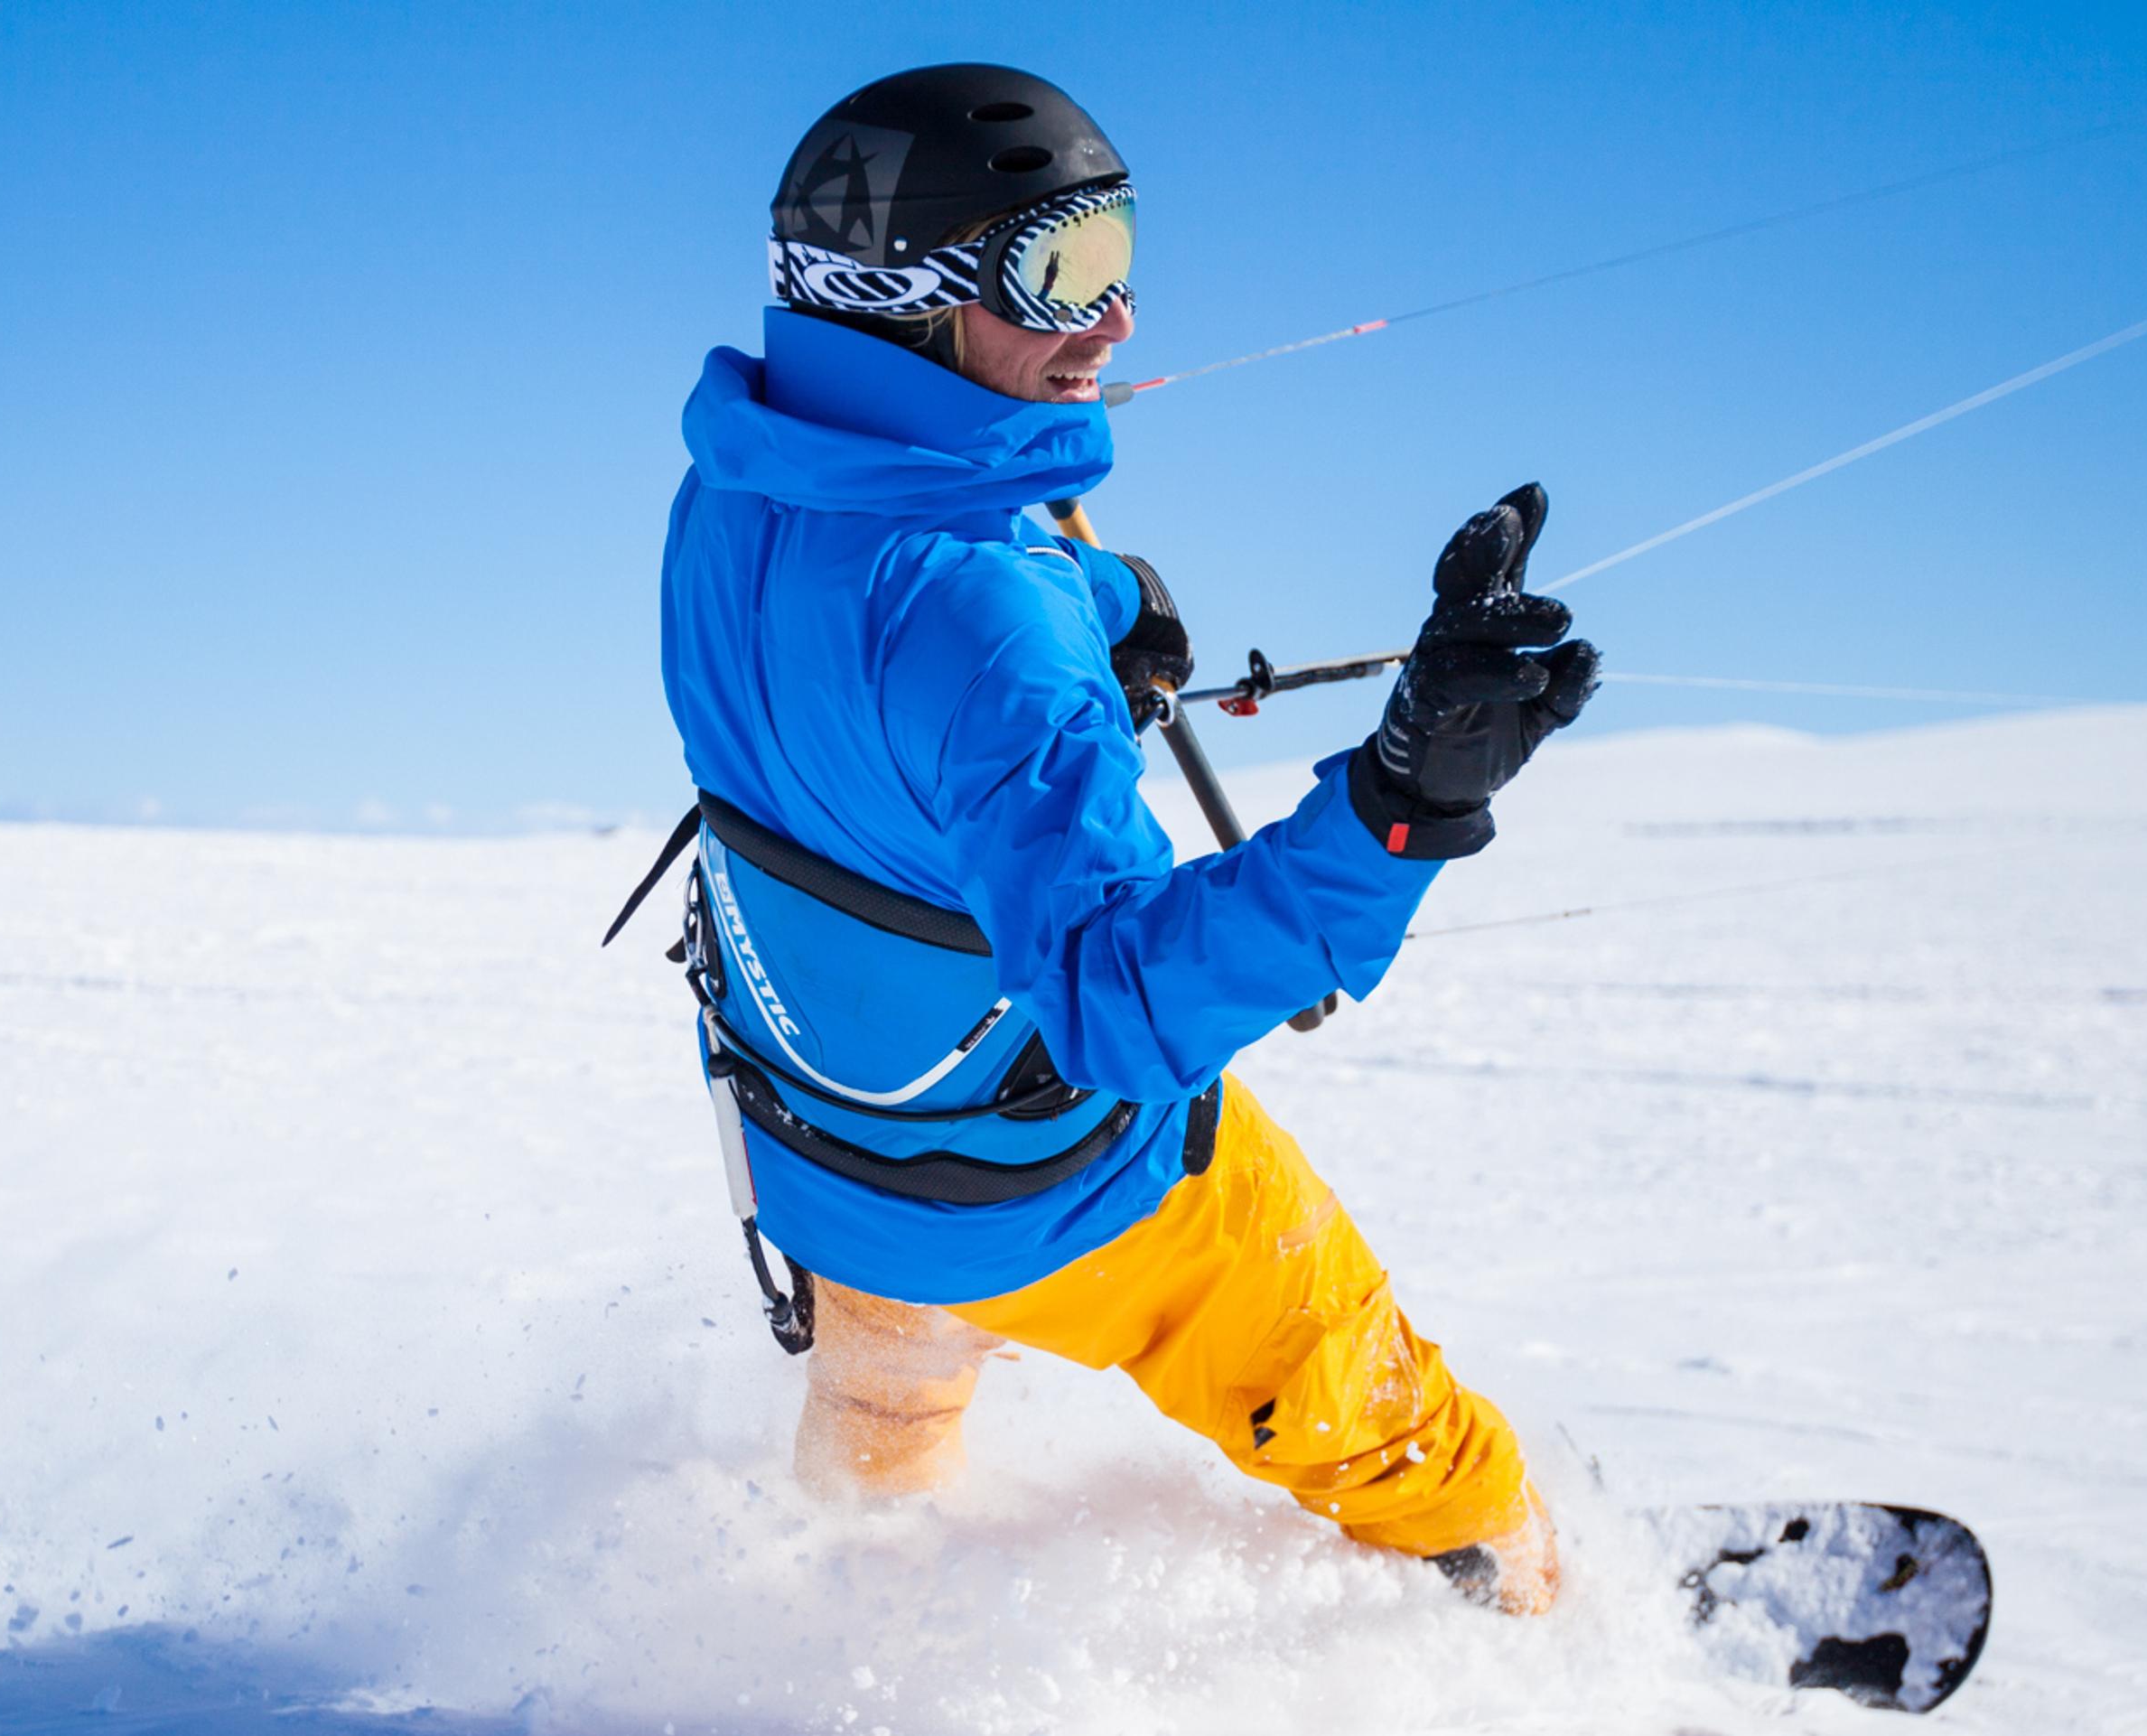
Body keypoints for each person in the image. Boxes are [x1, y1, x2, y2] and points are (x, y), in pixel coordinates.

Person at [643, 62, 1597, 1614]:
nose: (1121, 316)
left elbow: (866, 625)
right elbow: (1115, 1005)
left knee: (886, 1420)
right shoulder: (989, 622)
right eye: (1062, 271)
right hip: (1055, 1191)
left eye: (1122, 254)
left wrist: (1099, 601)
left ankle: (827, 1618)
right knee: (1336, 1362)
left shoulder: (725, 499)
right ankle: (1538, 1599)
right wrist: (1399, 806)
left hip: (821, 1160)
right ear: (911, 298)